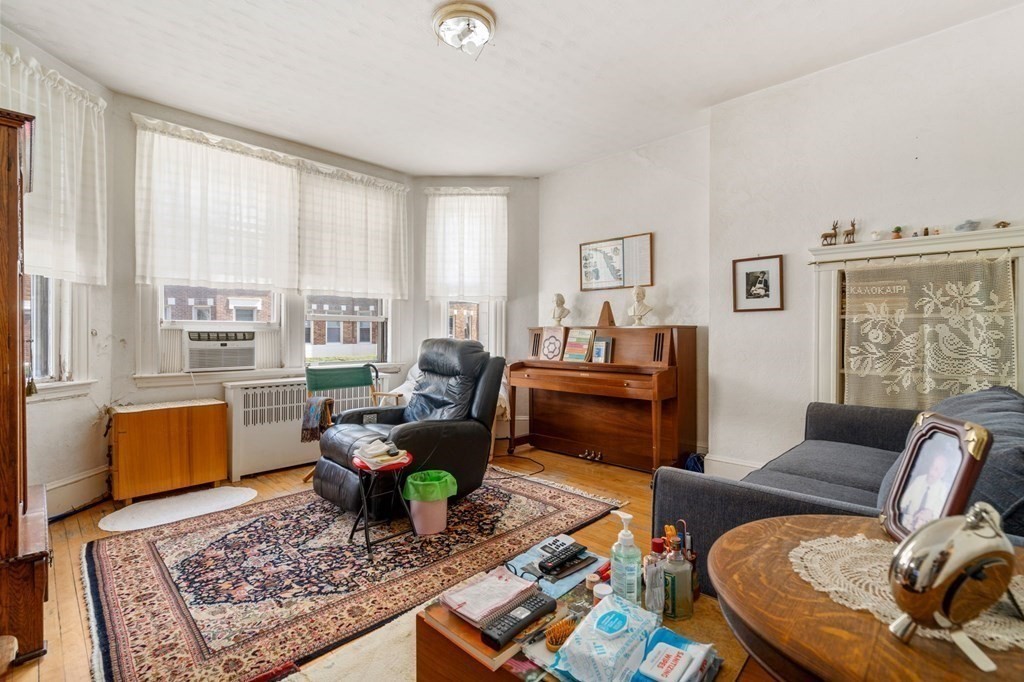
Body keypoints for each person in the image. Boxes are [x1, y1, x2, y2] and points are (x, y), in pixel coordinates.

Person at [899, 450, 957, 531]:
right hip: (909, 521)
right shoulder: (919, 480)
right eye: (933, 466)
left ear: (943, 474)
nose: (933, 470)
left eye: (938, 469)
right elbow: (902, 503)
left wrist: (926, 517)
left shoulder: (943, 490)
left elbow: (939, 516)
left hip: (927, 526)